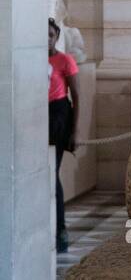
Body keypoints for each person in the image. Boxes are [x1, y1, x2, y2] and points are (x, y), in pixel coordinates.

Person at [49, 17, 79, 254]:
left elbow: (76, 96)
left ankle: (60, 229)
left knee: (52, 173)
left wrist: (74, 131)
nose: (46, 39)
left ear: (56, 37)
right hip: (36, 115)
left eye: (50, 35)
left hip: (58, 116)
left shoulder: (64, 60)